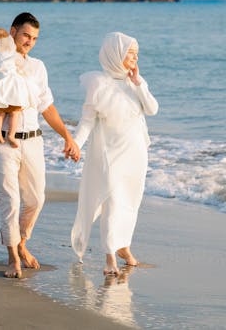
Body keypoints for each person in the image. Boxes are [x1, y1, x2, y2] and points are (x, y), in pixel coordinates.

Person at [0, 12, 80, 278]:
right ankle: (12, 258)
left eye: (34, 38)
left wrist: (68, 138)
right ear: (12, 32)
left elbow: (47, 107)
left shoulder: (38, 67)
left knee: (36, 199)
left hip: (33, 141)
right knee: (10, 200)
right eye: (25, 35)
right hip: (1, 141)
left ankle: (22, 242)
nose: (29, 42)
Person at [71, 31, 159, 275]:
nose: (134, 57)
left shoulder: (136, 83)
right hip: (110, 153)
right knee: (112, 202)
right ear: (115, 53)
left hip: (136, 153)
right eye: (129, 53)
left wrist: (139, 82)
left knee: (130, 202)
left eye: (136, 53)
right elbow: (87, 121)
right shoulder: (98, 84)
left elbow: (152, 109)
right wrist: (75, 143)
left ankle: (124, 247)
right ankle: (109, 257)